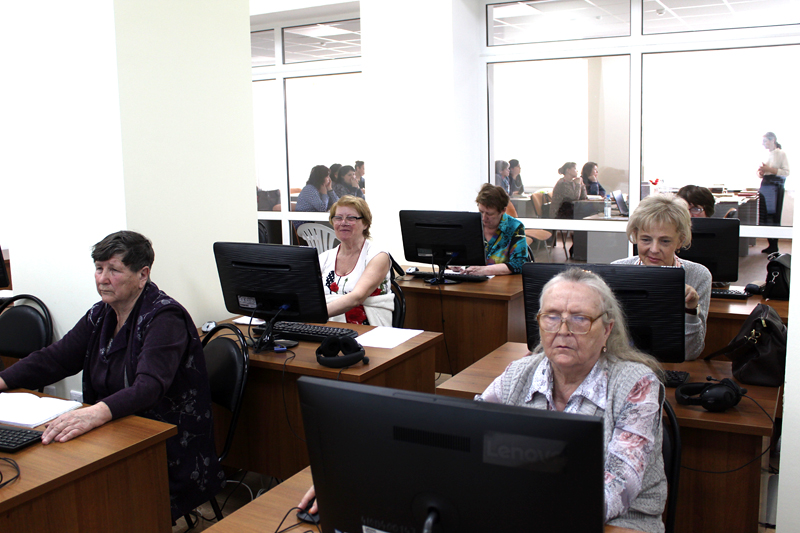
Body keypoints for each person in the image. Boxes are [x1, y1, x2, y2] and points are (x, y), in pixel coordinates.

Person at [0, 231, 223, 522]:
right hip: (114, 430)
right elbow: (56, 358)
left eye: (114, 270)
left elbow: (149, 386)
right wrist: (3, 380)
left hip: (165, 442)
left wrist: (95, 413)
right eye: (98, 268)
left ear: (143, 275)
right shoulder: (101, 314)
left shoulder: (165, 318)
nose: (103, 279)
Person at [476, 268, 666, 533]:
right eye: (552, 317)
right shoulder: (518, 375)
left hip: (620, 521)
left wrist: (540, 513)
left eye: (580, 319)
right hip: (524, 512)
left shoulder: (637, 384)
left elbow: (620, 484)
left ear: (607, 330)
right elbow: (473, 435)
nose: (563, 330)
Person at [612, 194, 711, 361]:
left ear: (680, 241)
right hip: (626, 364)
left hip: (673, 367)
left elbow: (691, 352)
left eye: (665, 241)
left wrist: (690, 309)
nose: (654, 249)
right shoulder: (617, 270)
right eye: (646, 240)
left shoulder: (698, 276)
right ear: (635, 236)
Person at [319, 196, 393, 325]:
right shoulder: (324, 258)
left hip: (369, 328)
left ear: (365, 223)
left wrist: (315, 315)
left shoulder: (378, 256)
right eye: (338, 218)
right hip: (328, 326)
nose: (343, 223)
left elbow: (357, 297)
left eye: (351, 218)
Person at [459, 183, 527, 276]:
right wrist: (454, 264)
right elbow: (456, 255)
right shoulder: (471, 225)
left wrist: (485, 270)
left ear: (503, 211)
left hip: (502, 282)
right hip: (470, 280)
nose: (483, 218)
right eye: (481, 212)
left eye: (489, 214)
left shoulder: (514, 227)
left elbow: (519, 264)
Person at [758, 132, 790, 254]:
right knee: (765, 216)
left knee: (773, 216)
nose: (763, 144)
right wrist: (761, 172)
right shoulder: (767, 154)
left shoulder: (781, 154)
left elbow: (786, 172)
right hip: (766, 186)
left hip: (775, 187)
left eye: (765, 141)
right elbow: (765, 172)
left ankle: (774, 245)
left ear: (773, 140)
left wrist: (769, 169)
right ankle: (770, 244)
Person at [293, 164, 339, 229]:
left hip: (315, 222)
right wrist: (324, 194)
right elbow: (322, 209)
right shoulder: (309, 189)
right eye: (327, 176)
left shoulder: (321, 188)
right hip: (304, 225)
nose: (329, 179)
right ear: (321, 178)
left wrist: (330, 189)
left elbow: (337, 203)